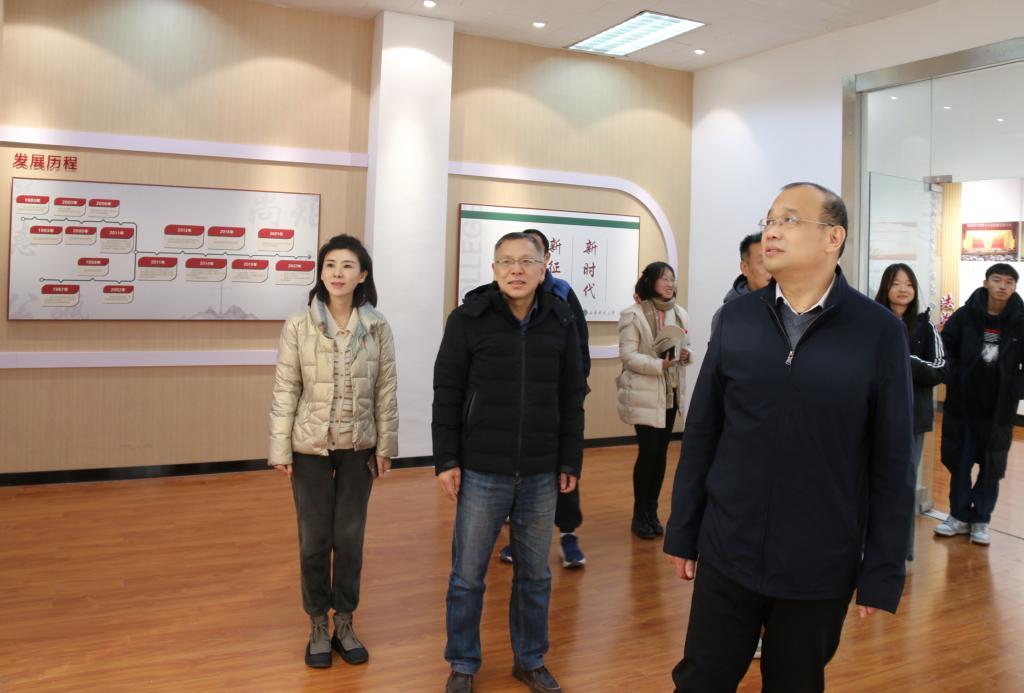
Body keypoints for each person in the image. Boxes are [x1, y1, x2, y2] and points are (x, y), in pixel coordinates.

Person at [664, 182, 914, 693]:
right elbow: (703, 433)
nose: (772, 231)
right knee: (701, 679)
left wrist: (883, 569)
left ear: (833, 237)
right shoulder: (736, 319)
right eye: (770, 220)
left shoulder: (878, 332)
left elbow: (892, 461)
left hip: (819, 560)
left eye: (789, 219)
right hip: (729, 548)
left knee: (796, 682)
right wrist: (684, 530)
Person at [433, 231, 586, 693]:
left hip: (541, 470)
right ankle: (463, 663)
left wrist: (570, 460)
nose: (516, 270)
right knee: (467, 576)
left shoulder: (560, 320)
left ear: (543, 269)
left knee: (535, 576)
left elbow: (572, 395)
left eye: (526, 261)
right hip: (482, 469)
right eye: (506, 261)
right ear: (494, 269)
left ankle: (530, 659)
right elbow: (447, 392)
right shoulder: (468, 319)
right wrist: (446, 459)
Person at [268, 233, 398, 669]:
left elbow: (386, 389)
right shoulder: (298, 325)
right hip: (310, 450)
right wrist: (280, 447)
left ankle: (344, 621)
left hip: (359, 448)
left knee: (349, 539)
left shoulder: (377, 326)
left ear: (362, 275)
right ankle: (317, 625)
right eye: (330, 265)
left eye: (347, 266)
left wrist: (386, 445)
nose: (337, 273)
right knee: (314, 541)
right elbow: (286, 388)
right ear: (321, 273)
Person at [491, 228, 590, 568]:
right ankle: (519, 539)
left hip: (556, 403)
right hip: (515, 409)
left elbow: (580, 346)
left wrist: (576, 387)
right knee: (522, 474)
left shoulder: (562, 293)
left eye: (531, 256)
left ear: (545, 260)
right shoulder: (498, 296)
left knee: (564, 469)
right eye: (511, 259)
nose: (519, 267)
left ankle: (569, 533)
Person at [935, 262, 1024, 546]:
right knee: (959, 463)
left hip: (998, 411)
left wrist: (1016, 388)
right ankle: (958, 516)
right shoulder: (966, 315)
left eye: (1008, 282)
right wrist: (954, 375)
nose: (1002, 286)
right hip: (964, 407)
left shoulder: (1020, 320)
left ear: (1014, 287)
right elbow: (944, 346)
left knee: (991, 467)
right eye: (997, 280)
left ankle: (981, 519)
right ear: (986, 283)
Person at [874, 263, 946, 562]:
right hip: (873, 417)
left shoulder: (925, 326)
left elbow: (940, 370)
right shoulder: (871, 321)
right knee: (870, 483)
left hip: (912, 419)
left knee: (903, 486)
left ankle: (901, 552)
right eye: (896, 283)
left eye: (909, 284)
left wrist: (906, 359)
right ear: (885, 287)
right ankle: (867, 548)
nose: (903, 289)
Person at [616, 262, 692, 539]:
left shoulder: (680, 313)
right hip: (644, 394)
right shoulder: (632, 314)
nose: (670, 284)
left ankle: (652, 511)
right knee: (648, 453)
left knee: (660, 455)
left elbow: (687, 346)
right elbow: (628, 356)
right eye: (664, 279)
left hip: (670, 394)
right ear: (650, 282)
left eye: (672, 278)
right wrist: (660, 364)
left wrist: (686, 356)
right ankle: (639, 515)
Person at [711, 231, 773, 334]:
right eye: (763, 262)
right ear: (745, 268)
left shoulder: (789, 307)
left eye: (774, 261)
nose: (771, 268)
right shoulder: (727, 315)